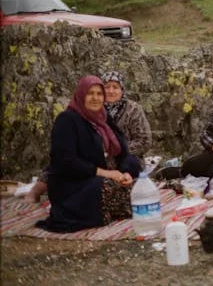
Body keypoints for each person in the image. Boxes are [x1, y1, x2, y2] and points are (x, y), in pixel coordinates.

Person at [24, 70, 152, 203]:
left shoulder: (130, 110)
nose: (111, 91)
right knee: (59, 165)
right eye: (107, 87)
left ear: (122, 90)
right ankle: (38, 191)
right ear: (82, 95)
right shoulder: (75, 116)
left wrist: (114, 152)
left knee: (129, 166)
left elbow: (145, 140)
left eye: (115, 87)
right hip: (89, 163)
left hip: (120, 155)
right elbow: (67, 158)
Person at [36, 76, 142, 232]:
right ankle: (100, 210)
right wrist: (106, 173)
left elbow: (124, 152)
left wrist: (125, 173)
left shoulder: (104, 119)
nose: (95, 98)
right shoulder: (67, 120)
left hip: (106, 178)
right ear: (81, 95)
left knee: (138, 184)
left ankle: (110, 207)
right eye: (90, 93)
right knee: (109, 187)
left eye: (99, 94)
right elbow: (66, 162)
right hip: (75, 184)